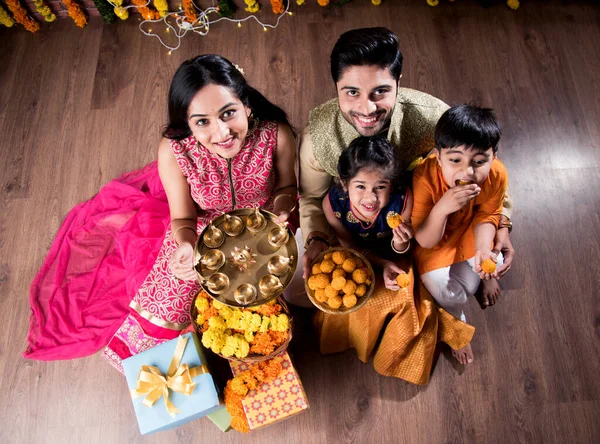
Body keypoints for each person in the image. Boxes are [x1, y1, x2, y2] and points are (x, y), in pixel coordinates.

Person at [24, 55, 297, 373]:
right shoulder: (175, 152)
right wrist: (186, 244)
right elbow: (182, 218)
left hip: (263, 222)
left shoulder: (275, 134)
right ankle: (168, 375)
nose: (222, 132)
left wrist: (279, 215)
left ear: (247, 106)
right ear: (187, 122)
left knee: (272, 304)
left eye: (229, 113)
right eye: (202, 122)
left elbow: (287, 187)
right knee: (166, 307)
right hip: (203, 228)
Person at [299, 27, 515, 306]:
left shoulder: (432, 117)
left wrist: (503, 226)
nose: (367, 109)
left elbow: (483, 168)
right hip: (350, 222)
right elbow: (312, 198)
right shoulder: (317, 136)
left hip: (421, 218)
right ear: (336, 86)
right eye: (352, 92)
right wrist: (316, 239)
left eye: (380, 91)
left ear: (398, 83)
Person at [313, 135, 475, 383]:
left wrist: (401, 241)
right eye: (360, 187)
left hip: (394, 254)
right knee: (345, 302)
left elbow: (402, 248)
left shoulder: (403, 202)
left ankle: (444, 333)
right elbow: (348, 243)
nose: (370, 198)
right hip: (356, 256)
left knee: (407, 305)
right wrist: (377, 264)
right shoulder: (333, 204)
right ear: (344, 184)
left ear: (392, 185)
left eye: (380, 187)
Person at [413, 104, 508, 364]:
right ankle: (457, 320)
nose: (467, 172)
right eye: (455, 160)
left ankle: (484, 276)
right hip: (436, 240)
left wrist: (482, 251)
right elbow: (423, 239)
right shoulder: (425, 177)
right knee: (445, 291)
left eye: (479, 162)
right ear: (438, 156)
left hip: (471, 232)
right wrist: (443, 207)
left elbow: (487, 216)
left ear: (494, 156)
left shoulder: (497, 174)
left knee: (494, 261)